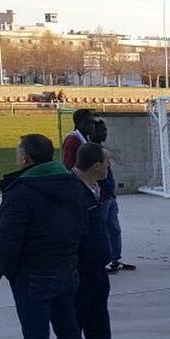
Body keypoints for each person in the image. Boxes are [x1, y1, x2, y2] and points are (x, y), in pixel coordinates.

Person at [0, 134, 92, 339]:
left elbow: (8, 240)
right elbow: (84, 226)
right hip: (66, 270)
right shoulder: (72, 184)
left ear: (25, 158)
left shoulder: (21, 191)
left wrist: (11, 272)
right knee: (70, 334)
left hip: (33, 275)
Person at [69, 142, 122, 339]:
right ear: (96, 165)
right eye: (107, 163)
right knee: (72, 325)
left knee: (99, 321)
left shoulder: (98, 187)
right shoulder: (70, 190)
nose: (110, 167)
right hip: (77, 270)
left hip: (97, 268)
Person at [64, 110, 132, 273]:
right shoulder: (73, 140)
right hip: (93, 192)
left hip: (104, 192)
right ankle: (99, 261)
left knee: (113, 227)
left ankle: (114, 259)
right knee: (97, 228)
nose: (92, 127)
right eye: (88, 123)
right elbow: (69, 165)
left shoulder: (88, 140)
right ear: (79, 123)